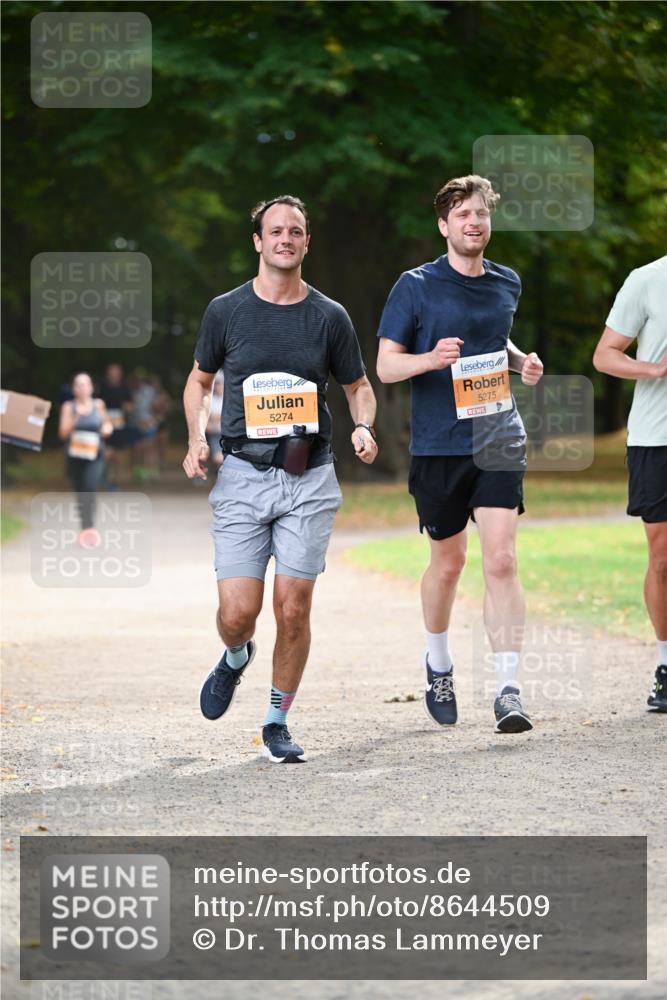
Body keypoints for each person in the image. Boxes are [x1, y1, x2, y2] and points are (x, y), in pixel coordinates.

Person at [182, 195, 378, 762]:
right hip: (244, 474)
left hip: (309, 476)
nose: (285, 239)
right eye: (275, 231)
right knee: (237, 614)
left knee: (293, 607)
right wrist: (198, 437)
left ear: (306, 242)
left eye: (296, 231)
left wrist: (363, 426)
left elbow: (358, 386)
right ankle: (235, 656)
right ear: (258, 241)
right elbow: (198, 382)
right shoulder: (226, 310)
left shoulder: (329, 316)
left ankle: (276, 720)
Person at [376, 174, 543, 734]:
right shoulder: (415, 286)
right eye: (463, 215)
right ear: (443, 225)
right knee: (448, 564)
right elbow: (385, 366)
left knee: (502, 560)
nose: (474, 223)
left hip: (498, 436)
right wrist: (429, 360)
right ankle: (439, 662)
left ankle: (508, 689)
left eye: (482, 214)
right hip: (438, 445)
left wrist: (521, 363)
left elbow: (496, 343)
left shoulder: (507, 282)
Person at [593, 256, 667, 712]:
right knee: (662, 558)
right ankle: (665, 664)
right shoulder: (646, 279)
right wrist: (656, 370)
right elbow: (605, 355)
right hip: (656, 437)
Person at [58, 371, 113, 546]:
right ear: (73, 389)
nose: (82, 387)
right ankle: (84, 528)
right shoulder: (68, 407)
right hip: (75, 454)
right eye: (78, 384)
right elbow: (62, 433)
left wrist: (107, 429)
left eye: (86, 384)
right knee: (81, 491)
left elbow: (107, 423)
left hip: (95, 454)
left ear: (91, 387)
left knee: (90, 487)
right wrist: (74, 421)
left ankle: (90, 529)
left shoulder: (98, 405)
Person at [98, 363, 134, 487]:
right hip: (105, 422)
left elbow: (130, 405)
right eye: (112, 372)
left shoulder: (125, 387)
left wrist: (127, 408)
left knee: (118, 454)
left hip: (120, 423)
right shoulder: (102, 387)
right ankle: (104, 475)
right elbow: (97, 403)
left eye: (116, 372)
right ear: (108, 373)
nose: (114, 374)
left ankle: (115, 480)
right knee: (107, 451)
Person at [205, 372, 225, 468]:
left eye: (219, 383)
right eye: (216, 383)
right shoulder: (209, 399)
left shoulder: (230, 398)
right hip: (215, 433)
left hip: (228, 433)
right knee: (217, 458)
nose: (218, 386)